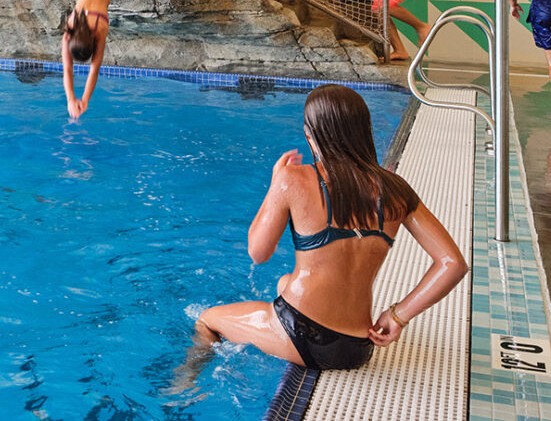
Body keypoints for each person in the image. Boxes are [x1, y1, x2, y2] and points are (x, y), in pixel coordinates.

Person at [188, 84, 466, 373]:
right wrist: (398, 316)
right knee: (284, 281)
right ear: (364, 131)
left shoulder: (292, 178)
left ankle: (184, 385)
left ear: (311, 135)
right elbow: (453, 264)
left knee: (207, 319)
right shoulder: (397, 189)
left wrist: (275, 184)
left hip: (298, 335)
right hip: (357, 346)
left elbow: (258, 252)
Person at [62, 0, 133, 120]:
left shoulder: (100, 30)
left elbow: (94, 68)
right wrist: (71, 98)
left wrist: (82, 100)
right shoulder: (70, 28)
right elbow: (67, 68)